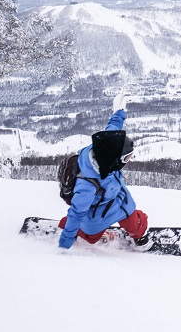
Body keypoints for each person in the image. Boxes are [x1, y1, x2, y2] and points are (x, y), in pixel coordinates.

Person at [57, 91, 149, 250]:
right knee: (90, 235)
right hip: (97, 212)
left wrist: (119, 112)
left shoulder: (105, 148)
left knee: (136, 222)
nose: (128, 161)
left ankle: (139, 236)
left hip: (117, 198)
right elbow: (77, 213)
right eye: (126, 158)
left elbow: (113, 130)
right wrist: (64, 243)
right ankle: (72, 229)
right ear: (115, 159)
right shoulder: (87, 185)